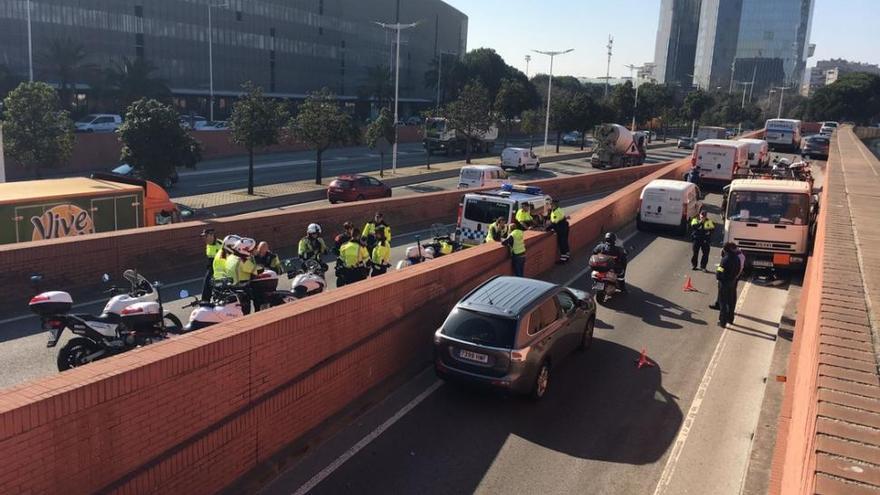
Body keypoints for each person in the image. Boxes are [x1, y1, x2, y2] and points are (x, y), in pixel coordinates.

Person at [226, 238, 259, 314]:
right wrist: (256, 257)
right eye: (251, 249)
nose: (252, 251)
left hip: (232, 289)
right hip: (242, 290)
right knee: (246, 313)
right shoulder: (242, 261)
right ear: (244, 250)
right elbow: (257, 270)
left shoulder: (230, 257)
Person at [715, 242, 742, 327]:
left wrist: (719, 277)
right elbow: (738, 269)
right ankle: (730, 319)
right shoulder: (737, 258)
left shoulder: (725, 259)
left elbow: (720, 270)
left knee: (723, 302)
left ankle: (722, 321)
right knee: (731, 302)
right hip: (732, 282)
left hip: (724, 283)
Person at [200, 229, 223, 301]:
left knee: (220, 287)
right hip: (211, 268)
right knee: (206, 284)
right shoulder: (208, 245)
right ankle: (205, 301)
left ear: (211, 235)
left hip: (220, 270)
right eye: (203, 237)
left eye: (205, 236)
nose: (204, 239)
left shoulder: (220, 244)